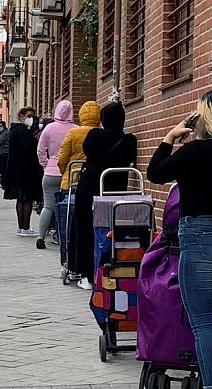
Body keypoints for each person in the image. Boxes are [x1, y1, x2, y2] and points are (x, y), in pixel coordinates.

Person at [146, 89, 212, 389]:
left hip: (202, 243)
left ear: (205, 116)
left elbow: (155, 173)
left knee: (204, 325)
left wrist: (169, 137)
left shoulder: (195, 152)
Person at [73, 102, 137, 290]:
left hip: (89, 187)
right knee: (112, 232)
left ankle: (87, 274)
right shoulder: (129, 140)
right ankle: (112, 271)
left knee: (85, 229)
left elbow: (87, 151)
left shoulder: (94, 135)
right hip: (116, 191)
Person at [35, 100, 77, 249]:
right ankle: (64, 237)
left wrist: (46, 165)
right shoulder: (76, 129)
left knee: (48, 206)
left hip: (50, 172)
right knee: (69, 207)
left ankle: (41, 237)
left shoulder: (49, 128)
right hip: (70, 173)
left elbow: (40, 151)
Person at [2, 107, 44, 236]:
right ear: (21, 117)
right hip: (25, 169)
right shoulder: (22, 131)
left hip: (17, 169)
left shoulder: (16, 130)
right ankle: (25, 227)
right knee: (27, 199)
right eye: (29, 116)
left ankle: (21, 227)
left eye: (33, 116)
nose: (31, 119)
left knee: (21, 199)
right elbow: (29, 147)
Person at [57, 101, 101, 190]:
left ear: (81, 115)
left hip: (72, 177)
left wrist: (65, 172)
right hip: (94, 178)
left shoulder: (72, 132)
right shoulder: (101, 133)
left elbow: (62, 158)